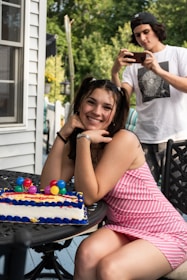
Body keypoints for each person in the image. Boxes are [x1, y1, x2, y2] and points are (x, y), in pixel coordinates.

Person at [41, 76, 187, 280]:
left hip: (166, 232)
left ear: (115, 114)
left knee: (111, 269)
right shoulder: (77, 142)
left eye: (107, 107)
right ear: (81, 103)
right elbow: (48, 187)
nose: (97, 111)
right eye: (91, 102)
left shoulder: (123, 140)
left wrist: (83, 141)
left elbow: (89, 196)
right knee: (86, 253)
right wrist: (63, 135)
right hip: (122, 227)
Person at [111, 11, 187, 183]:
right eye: (138, 35)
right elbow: (121, 100)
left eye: (146, 32)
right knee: (145, 197)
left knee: (176, 197)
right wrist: (115, 71)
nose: (143, 38)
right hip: (144, 140)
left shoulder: (179, 54)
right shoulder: (132, 67)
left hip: (176, 139)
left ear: (156, 30)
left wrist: (158, 70)